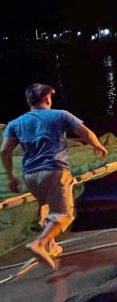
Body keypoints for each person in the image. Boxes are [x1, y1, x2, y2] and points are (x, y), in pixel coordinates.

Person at [0, 83, 108, 269]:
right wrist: (98, 146)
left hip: (30, 175)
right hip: (54, 171)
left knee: (45, 206)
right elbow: (86, 133)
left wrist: (11, 176)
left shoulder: (15, 123)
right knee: (64, 214)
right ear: (48, 99)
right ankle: (39, 243)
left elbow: (4, 151)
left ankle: (51, 246)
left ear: (29, 101)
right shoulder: (60, 115)